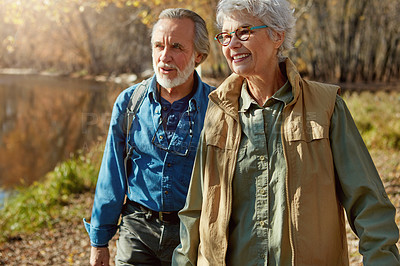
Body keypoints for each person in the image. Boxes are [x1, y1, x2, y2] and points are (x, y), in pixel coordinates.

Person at [172, 0, 400, 265]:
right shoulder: (218, 112)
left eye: (244, 31)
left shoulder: (326, 107)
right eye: (225, 36)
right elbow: (195, 211)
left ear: (277, 35)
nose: (232, 45)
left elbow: (368, 203)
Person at [84, 8, 214, 266]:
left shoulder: (216, 107)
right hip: (136, 232)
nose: (165, 56)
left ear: (198, 56)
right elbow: (112, 173)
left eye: (177, 46)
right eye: (158, 45)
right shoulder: (129, 102)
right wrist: (99, 241)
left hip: (192, 235)